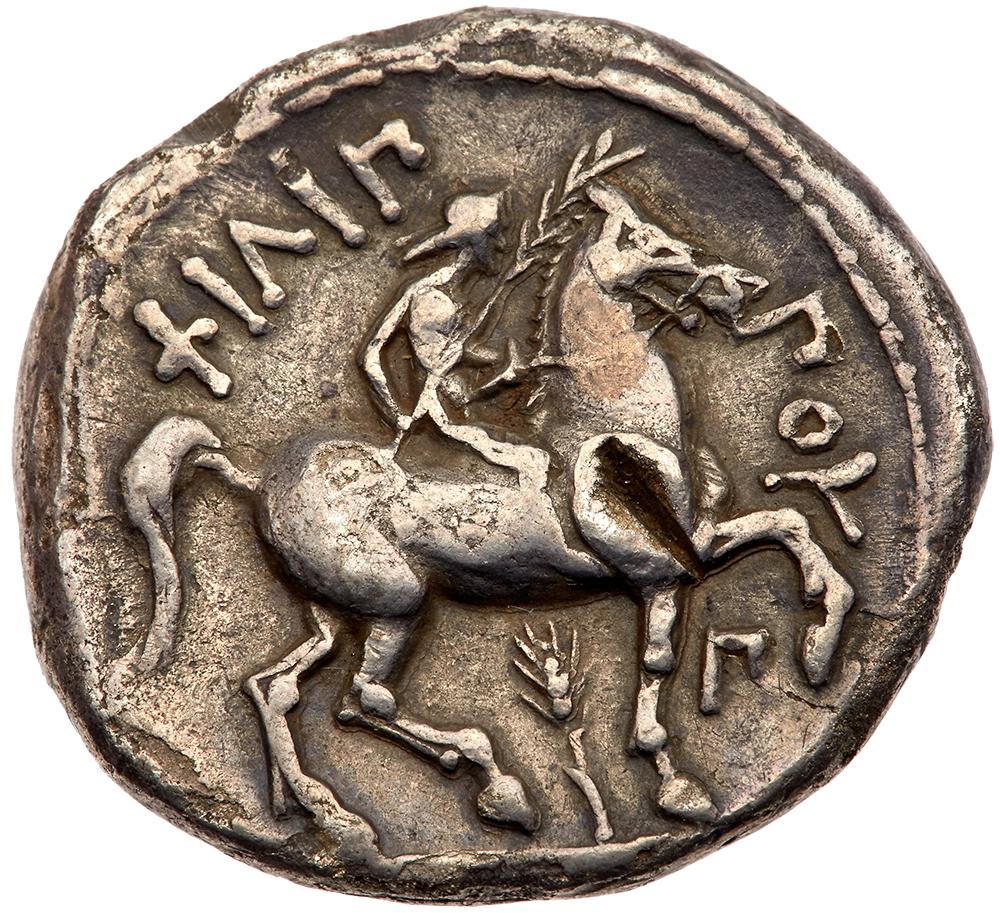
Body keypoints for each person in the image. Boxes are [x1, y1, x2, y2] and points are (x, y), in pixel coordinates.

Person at [360, 192, 551, 491]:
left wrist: (505, 362)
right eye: (494, 235)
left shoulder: (460, 293)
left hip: (455, 404)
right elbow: (371, 356)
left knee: (535, 461)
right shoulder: (424, 292)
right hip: (432, 413)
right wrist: (398, 414)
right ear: (472, 242)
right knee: (530, 464)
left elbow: (458, 352)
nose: (503, 245)